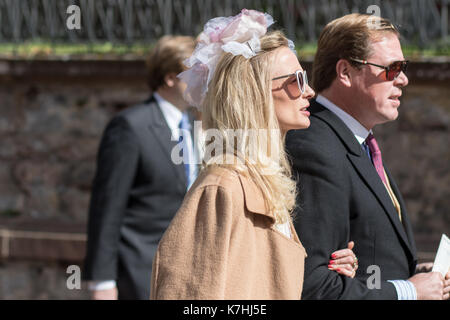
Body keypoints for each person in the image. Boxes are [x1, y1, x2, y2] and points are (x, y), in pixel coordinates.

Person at [150, 9, 359, 300]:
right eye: (296, 80)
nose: (309, 91)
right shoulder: (222, 187)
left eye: (305, 78)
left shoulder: (262, 179)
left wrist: (326, 271)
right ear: (254, 93)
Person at [286, 13, 450, 300]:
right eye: (392, 68)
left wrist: (414, 273)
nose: (403, 79)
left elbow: (368, 250)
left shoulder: (355, 138)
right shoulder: (315, 145)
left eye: (404, 67)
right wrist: (408, 291)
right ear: (345, 72)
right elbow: (312, 284)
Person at [83, 35, 199, 300]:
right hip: (137, 273)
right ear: (171, 78)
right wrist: (102, 282)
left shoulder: (193, 127)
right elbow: (107, 208)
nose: (202, 81)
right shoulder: (129, 126)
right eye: (195, 73)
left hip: (183, 273)